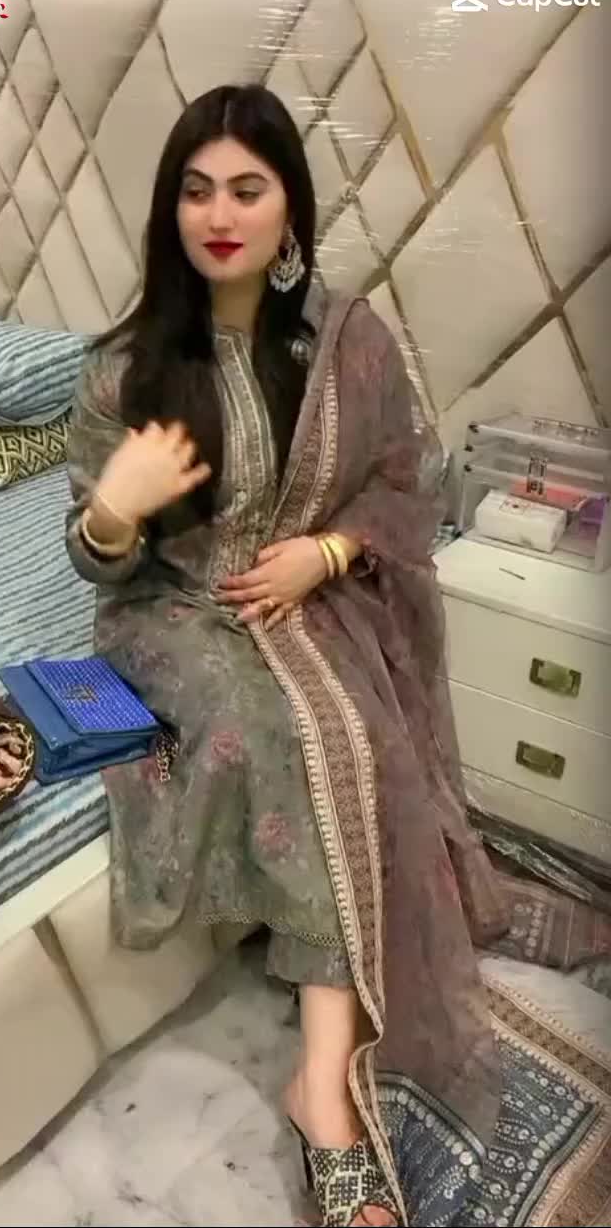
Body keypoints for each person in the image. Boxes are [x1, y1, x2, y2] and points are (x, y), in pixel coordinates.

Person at [62, 84, 533, 1226]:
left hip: (301, 594)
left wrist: (324, 554)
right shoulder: (124, 368)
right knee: (269, 726)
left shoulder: (346, 342)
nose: (219, 215)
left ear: (289, 209)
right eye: (195, 191)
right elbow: (97, 562)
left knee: (361, 731)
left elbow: (405, 479)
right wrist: (115, 510)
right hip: (175, 608)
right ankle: (324, 1083)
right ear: (171, 209)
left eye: (247, 188)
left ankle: (318, 1079)